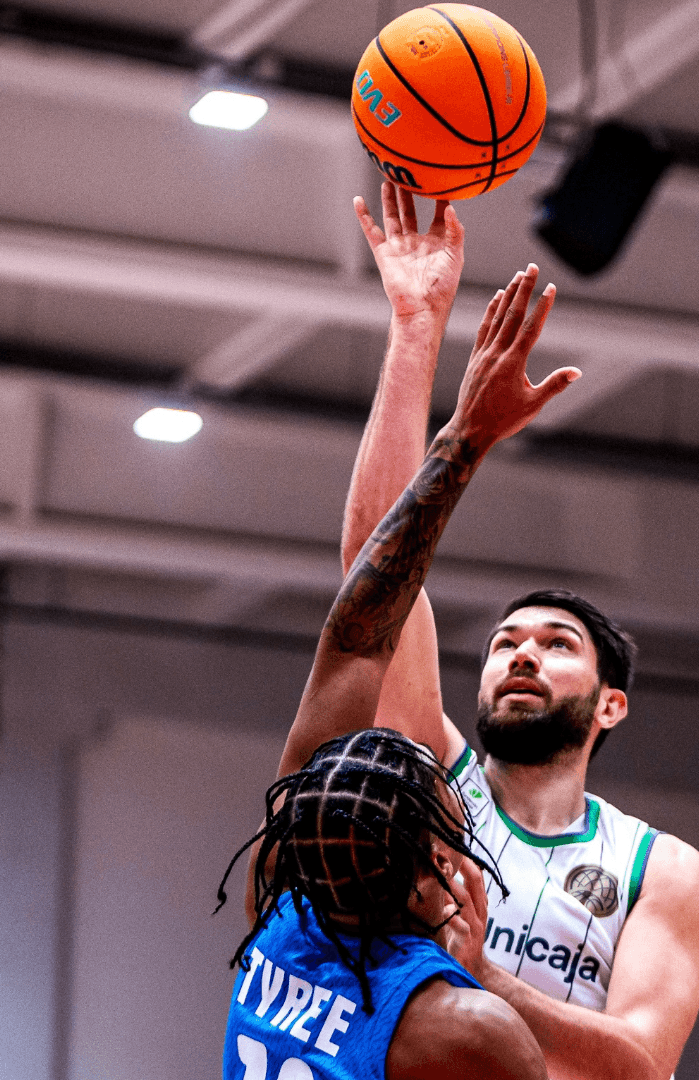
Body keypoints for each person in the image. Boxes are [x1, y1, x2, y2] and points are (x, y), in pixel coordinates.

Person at [337, 183, 699, 1080]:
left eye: (556, 644)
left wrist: (484, 978)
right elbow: (372, 568)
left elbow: (643, 1062)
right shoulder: (439, 789)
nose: (521, 654)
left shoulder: (658, 867)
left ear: (611, 705)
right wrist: (415, 330)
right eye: (505, 642)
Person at [218, 261, 578, 1080]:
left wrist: (452, 405)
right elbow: (357, 632)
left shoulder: (278, 907)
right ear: (439, 863)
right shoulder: (465, 1028)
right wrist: (477, 976)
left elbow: (358, 636)